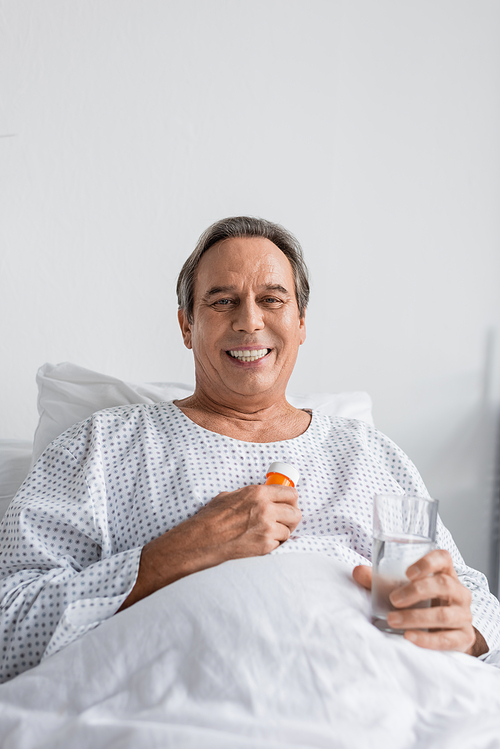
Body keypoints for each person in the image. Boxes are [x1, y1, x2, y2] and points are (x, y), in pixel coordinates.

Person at [0, 216, 498, 683]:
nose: (249, 321)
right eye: (222, 301)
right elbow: (9, 628)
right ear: (186, 325)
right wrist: (172, 555)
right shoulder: (102, 446)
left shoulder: (370, 454)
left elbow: (480, 606)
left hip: (377, 708)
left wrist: (467, 632)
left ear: (301, 322)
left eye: (273, 299)